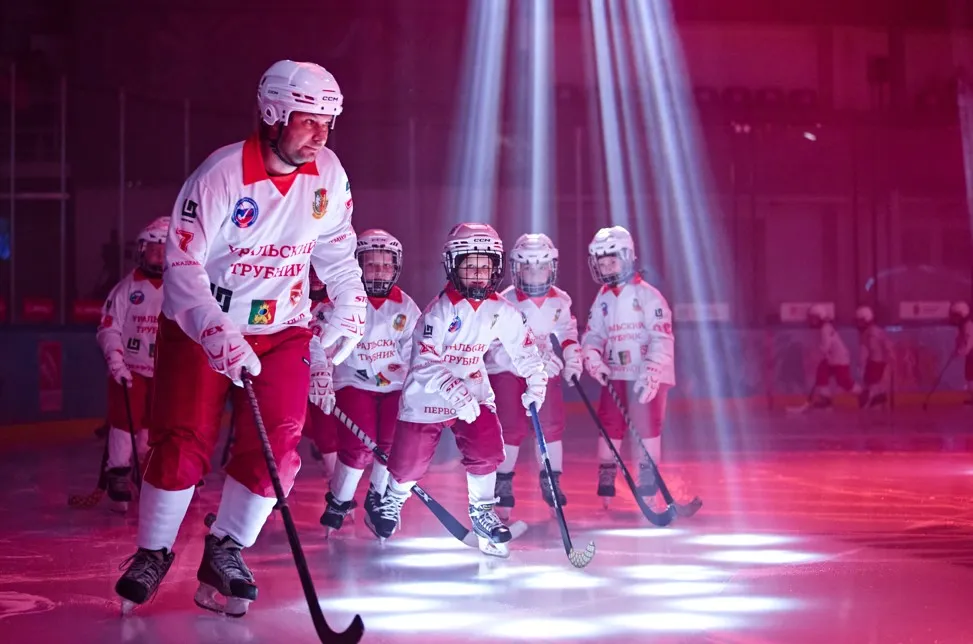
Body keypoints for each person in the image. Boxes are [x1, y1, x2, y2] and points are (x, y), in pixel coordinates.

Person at [114, 60, 366, 617]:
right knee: (183, 440)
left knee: (279, 442)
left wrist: (351, 304)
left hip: (284, 329)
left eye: (328, 123)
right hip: (201, 329)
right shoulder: (220, 175)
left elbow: (337, 251)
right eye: (309, 121)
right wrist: (215, 331)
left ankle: (225, 550)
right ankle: (152, 553)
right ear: (273, 114)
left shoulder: (328, 172)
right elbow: (182, 267)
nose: (321, 136)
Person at [366, 223, 547, 557]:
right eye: (470, 265)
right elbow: (423, 362)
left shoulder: (501, 310)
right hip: (428, 395)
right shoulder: (438, 312)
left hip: (473, 388)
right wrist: (453, 390)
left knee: (487, 447)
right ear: (453, 265)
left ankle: (482, 511)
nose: (478, 274)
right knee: (408, 465)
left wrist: (536, 380)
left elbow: (524, 349)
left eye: (484, 266)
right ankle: (392, 497)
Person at [318, 229, 421, 536]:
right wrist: (321, 374)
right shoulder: (340, 301)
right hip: (353, 380)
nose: (379, 271)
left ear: (396, 267)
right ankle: (340, 500)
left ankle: (378, 497)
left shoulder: (406, 306)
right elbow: (320, 343)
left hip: (394, 386)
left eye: (386, 265)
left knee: (390, 444)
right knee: (358, 446)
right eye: (372, 264)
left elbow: (414, 352)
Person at [484, 233, 581, 518]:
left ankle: (551, 479)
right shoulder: (504, 301)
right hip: (508, 369)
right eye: (528, 267)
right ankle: (502, 482)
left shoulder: (559, 300)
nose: (535, 273)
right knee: (511, 426)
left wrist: (572, 358)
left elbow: (567, 331)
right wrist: (526, 365)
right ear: (517, 269)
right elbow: (494, 345)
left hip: (543, 366)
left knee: (551, 423)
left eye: (541, 267)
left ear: (552, 268)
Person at [581, 225, 676, 507]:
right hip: (617, 372)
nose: (607, 268)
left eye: (612, 261)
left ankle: (648, 480)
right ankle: (607, 473)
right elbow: (593, 334)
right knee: (610, 422)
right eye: (602, 263)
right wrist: (592, 356)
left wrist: (653, 370)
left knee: (647, 426)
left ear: (627, 257)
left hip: (646, 375)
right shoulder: (603, 297)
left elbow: (662, 338)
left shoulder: (649, 296)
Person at [95, 216, 168, 511]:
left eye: (164, 249)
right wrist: (116, 360)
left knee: (155, 428)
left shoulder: (181, 287)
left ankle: (150, 476)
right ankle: (119, 476)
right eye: (153, 249)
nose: (158, 255)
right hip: (130, 370)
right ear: (141, 251)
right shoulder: (126, 289)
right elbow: (108, 328)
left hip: (164, 373)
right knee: (124, 424)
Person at [302, 268, 340, 475]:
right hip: (293, 371)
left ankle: (335, 481)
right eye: (311, 270)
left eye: (320, 271)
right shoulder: (291, 298)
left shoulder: (338, 305)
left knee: (326, 428)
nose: (316, 277)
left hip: (328, 376)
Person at [805, 303, 857, 409]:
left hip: (839, 359)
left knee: (843, 381)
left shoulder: (825, 329)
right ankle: (826, 398)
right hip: (833, 359)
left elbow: (826, 346)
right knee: (822, 375)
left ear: (819, 317)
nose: (811, 320)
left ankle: (862, 394)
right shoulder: (826, 327)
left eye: (813, 318)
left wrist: (821, 355)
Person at [855, 306, 892, 408]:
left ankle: (875, 398)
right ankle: (879, 397)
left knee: (872, 381)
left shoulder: (868, 333)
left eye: (860, 321)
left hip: (874, 361)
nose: (858, 324)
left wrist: (861, 363)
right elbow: (887, 344)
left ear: (867, 319)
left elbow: (866, 350)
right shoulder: (877, 330)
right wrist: (889, 355)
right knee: (872, 381)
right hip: (879, 361)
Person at [949, 301, 973, 405]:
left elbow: (969, 342)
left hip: (971, 354)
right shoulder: (963, 326)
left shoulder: (969, 326)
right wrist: (957, 349)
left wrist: (960, 352)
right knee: (969, 375)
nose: (954, 318)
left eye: (956, 315)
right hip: (970, 354)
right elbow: (960, 339)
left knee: (970, 375)